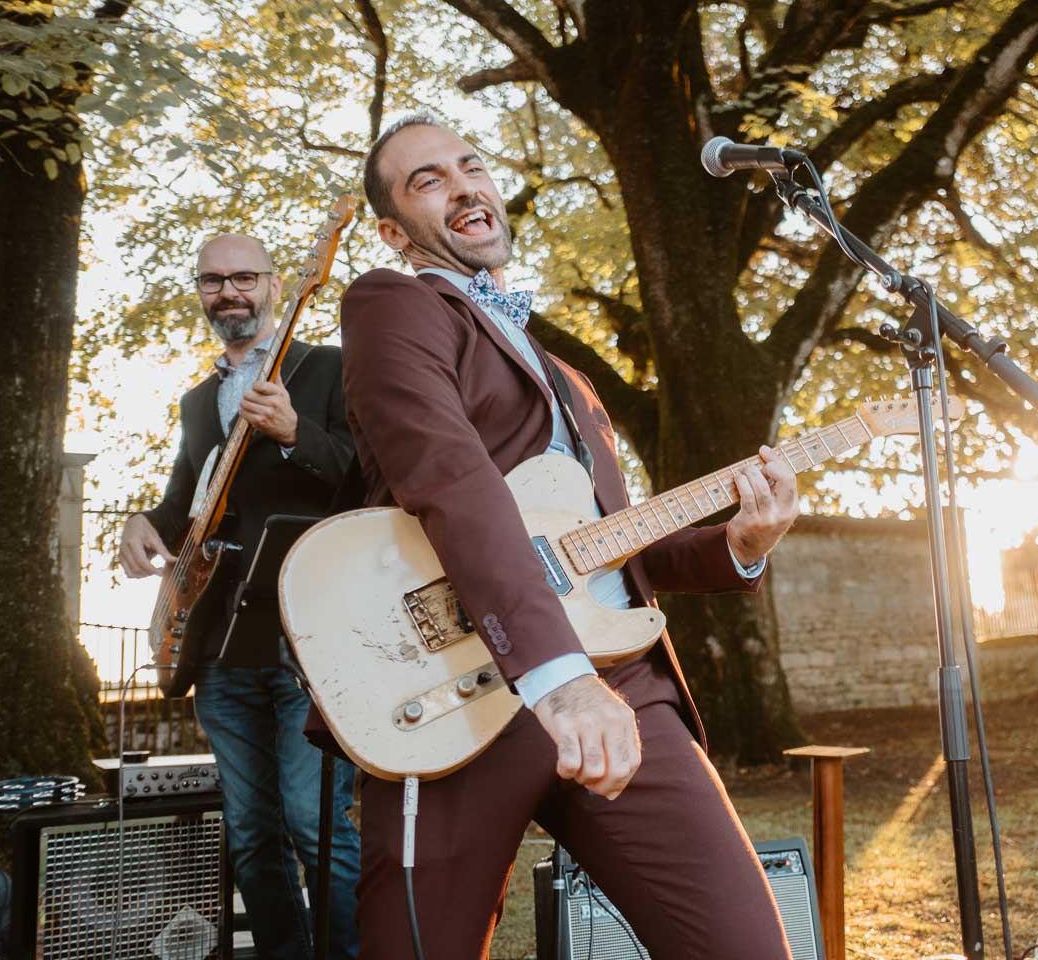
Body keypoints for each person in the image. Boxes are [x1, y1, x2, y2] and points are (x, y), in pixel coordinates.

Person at [330, 110, 799, 957]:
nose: (463, 184)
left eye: (470, 164)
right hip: (461, 692)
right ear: (395, 231)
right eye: (427, 179)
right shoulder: (390, 304)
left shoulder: (573, 381)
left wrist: (741, 545)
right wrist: (559, 680)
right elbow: (453, 486)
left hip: (627, 687)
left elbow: (607, 545)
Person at [117, 233, 361, 959]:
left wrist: (294, 433)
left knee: (316, 823)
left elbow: (375, 482)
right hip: (218, 647)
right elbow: (183, 509)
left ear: (278, 285)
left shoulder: (330, 370)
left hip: (310, 637)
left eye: (244, 277)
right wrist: (140, 523)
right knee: (251, 833)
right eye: (212, 281)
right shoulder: (199, 402)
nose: (229, 292)